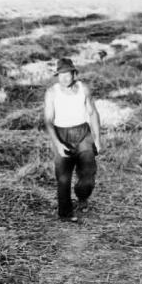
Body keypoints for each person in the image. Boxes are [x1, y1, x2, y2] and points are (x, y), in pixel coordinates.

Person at [44, 58, 102, 222]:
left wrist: (97, 139)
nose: (64, 77)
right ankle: (65, 214)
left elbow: (92, 113)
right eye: (60, 74)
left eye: (67, 74)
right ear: (57, 75)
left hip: (83, 133)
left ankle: (82, 196)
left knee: (88, 174)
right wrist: (58, 144)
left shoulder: (83, 88)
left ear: (74, 74)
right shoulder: (52, 92)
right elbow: (48, 121)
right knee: (63, 177)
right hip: (61, 134)